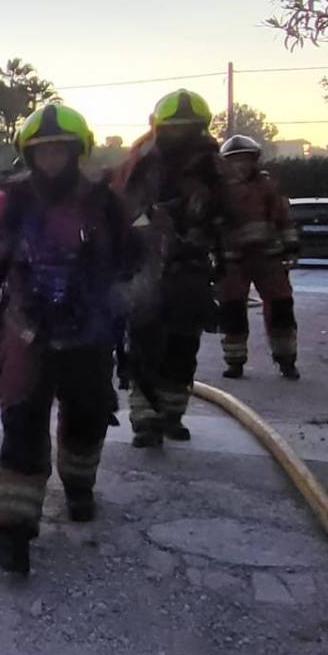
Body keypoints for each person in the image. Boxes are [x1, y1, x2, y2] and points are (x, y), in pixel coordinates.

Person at [0, 105, 130, 577]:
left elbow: (129, 264)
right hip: (27, 336)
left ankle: (79, 492)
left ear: (78, 152)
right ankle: (14, 537)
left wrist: (126, 314)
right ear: (30, 155)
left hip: (88, 337)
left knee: (86, 420)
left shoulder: (105, 202)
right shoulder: (12, 202)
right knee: (22, 429)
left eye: (60, 149)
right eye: (43, 151)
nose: (52, 158)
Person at [115, 89, 225, 448]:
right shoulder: (140, 164)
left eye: (189, 128)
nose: (181, 136)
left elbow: (225, 217)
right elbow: (124, 210)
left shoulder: (212, 167)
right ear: (158, 128)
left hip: (190, 270)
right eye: (175, 128)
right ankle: (145, 418)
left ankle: (172, 413)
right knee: (144, 343)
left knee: (183, 344)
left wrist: (221, 263)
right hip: (146, 269)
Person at [216, 133, 300, 379]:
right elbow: (209, 223)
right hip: (233, 260)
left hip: (268, 258)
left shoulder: (267, 187)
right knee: (232, 310)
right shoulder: (218, 191)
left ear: (254, 161)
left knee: (281, 307)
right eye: (235, 160)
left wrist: (291, 248)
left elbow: (283, 220)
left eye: (245, 159)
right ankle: (234, 361)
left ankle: (286, 359)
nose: (240, 165)